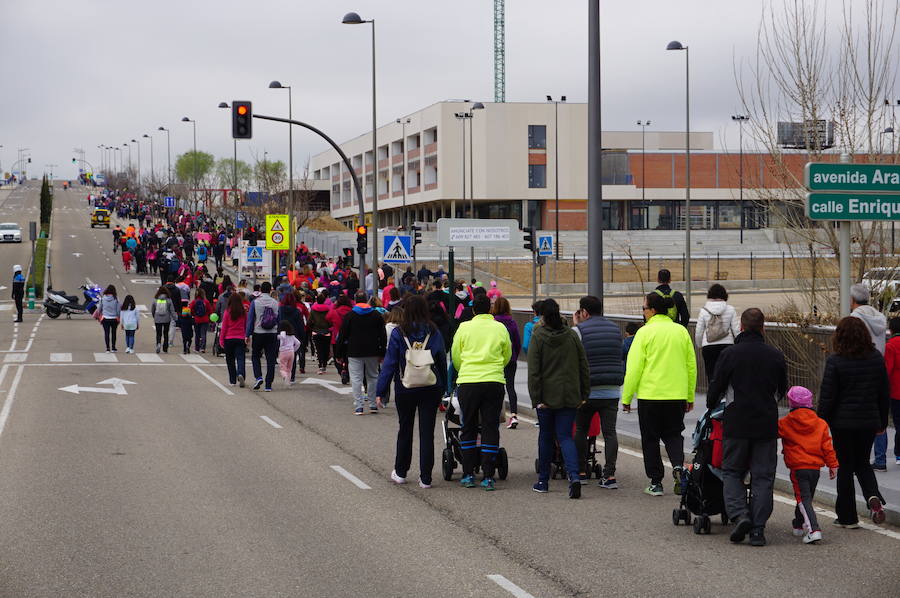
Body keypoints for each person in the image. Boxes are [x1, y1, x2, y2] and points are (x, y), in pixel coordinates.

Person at [706, 308, 788, 547]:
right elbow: (782, 388)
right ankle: (758, 529)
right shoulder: (775, 355)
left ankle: (740, 514)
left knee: (732, 471)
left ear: (741, 327)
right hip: (765, 423)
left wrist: (712, 404)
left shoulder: (730, 354)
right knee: (763, 476)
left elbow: (717, 386)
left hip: (736, 422)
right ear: (763, 328)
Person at [621, 291, 696, 497]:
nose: (643, 312)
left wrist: (626, 398)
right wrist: (689, 395)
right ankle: (679, 467)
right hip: (676, 394)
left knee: (651, 438)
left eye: (644, 308)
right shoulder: (680, 331)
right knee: (673, 434)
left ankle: (656, 482)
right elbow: (691, 366)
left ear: (652, 310)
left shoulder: (644, 333)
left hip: (650, 395)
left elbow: (634, 368)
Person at [818, 316, 889, 527]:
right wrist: (882, 422)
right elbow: (883, 393)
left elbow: (828, 396)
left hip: (842, 424)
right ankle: (873, 498)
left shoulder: (835, 361)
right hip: (868, 421)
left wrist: (821, 422)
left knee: (846, 467)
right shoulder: (876, 358)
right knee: (863, 463)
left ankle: (847, 517)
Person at [376, 295, 447, 488]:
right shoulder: (433, 331)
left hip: (405, 386)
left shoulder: (400, 332)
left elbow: (390, 363)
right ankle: (426, 478)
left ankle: (400, 472)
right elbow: (441, 359)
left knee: (405, 429)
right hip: (430, 385)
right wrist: (445, 387)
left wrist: (381, 391)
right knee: (427, 432)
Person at [529, 298, 590, 499]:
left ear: (543, 316)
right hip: (569, 395)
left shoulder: (538, 336)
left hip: (546, 396)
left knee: (546, 437)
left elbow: (534, 371)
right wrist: (584, 393)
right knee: (565, 437)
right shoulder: (572, 336)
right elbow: (583, 365)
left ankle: (543, 481)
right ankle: (574, 477)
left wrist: (535, 397)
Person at [451, 294, 512, 491]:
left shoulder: (464, 328)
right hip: (493, 381)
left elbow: (456, 356)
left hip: (469, 380)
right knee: (490, 426)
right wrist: (495, 368)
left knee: (468, 425)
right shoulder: (500, 328)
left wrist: (465, 370)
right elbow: (507, 355)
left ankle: (468, 473)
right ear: (490, 309)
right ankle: (488, 475)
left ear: (473, 310)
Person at [572, 295, 624, 489]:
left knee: (581, 430)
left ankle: (581, 471)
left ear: (583, 312)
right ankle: (609, 475)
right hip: (611, 390)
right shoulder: (614, 329)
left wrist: (576, 325)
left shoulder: (578, 330)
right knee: (610, 432)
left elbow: (574, 357)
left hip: (587, 391)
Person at [778, 385, 839, 545]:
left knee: (803, 499)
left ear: (791, 403)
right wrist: (833, 465)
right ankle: (798, 524)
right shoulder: (821, 423)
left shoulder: (785, 423)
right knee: (806, 497)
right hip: (815, 468)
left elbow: (771, 433)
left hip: (798, 467)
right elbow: (827, 446)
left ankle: (814, 529)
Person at [848, 283, 889, 471]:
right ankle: (880, 458)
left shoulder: (855, 319)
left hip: (859, 368)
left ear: (853, 300)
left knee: (858, 414)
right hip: (878, 367)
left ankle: (857, 458)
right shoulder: (879, 317)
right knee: (880, 412)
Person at [339, 291, 388, 415]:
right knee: (373, 377)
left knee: (356, 378)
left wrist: (339, 354)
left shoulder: (350, 315)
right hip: (373, 350)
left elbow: (342, 335)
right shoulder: (376, 315)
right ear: (367, 300)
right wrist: (382, 352)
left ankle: (359, 406)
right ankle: (372, 404)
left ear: (355, 300)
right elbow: (383, 335)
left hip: (354, 351)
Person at [694, 283, 741, 384]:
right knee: (728, 375)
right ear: (724, 295)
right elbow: (736, 330)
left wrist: (700, 345)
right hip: (727, 345)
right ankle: (726, 398)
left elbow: (699, 331)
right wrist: (738, 345)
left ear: (710, 295)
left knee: (712, 375)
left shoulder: (704, 311)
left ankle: (714, 397)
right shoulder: (730, 309)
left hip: (708, 346)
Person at [490, 298, 522, 429]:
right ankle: (514, 415)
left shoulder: (493, 323)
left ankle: (497, 413)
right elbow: (517, 343)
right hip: (511, 359)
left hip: (496, 359)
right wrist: (514, 355)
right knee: (510, 387)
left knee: (498, 387)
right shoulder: (512, 322)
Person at [245, 281, 281, 391]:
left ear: (260, 290)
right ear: (270, 290)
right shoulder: (275, 303)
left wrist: (248, 334)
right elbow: (279, 319)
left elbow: (250, 319)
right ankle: (268, 384)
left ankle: (258, 376)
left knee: (255, 355)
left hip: (258, 332)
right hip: (272, 333)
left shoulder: (256, 302)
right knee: (271, 358)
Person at [880, 317, 900, 468]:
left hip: (896, 391)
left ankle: (899, 453)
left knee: (898, 423)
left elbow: (887, 370)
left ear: (891, 329)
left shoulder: (891, 346)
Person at [219, 292, 248, 387]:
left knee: (230, 360)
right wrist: (247, 337)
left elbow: (224, 327)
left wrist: (221, 340)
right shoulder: (243, 312)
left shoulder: (228, 312)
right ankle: (241, 373)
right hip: (240, 338)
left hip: (229, 338)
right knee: (240, 358)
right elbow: (246, 325)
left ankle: (232, 380)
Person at [278, 293, 307, 382]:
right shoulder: (297, 311)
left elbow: (278, 321)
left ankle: (284, 373)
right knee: (292, 358)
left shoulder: (281, 310)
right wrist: (303, 337)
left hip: (282, 335)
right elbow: (300, 325)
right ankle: (291, 376)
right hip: (294, 335)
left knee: (282, 358)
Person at [308, 294, 333, 375]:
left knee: (319, 350)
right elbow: (330, 320)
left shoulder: (313, 310)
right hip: (326, 332)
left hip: (316, 331)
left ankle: (320, 366)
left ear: (317, 300)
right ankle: (324, 366)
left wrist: (312, 328)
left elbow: (309, 321)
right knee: (326, 350)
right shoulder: (328, 309)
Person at [151, 287, 176, 353]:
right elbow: (172, 310)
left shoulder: (155, 299)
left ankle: (158, 343)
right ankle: (165, 348)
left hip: (157, 319)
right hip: (166, 319)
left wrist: (154, 316)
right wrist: (175, 318)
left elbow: (152, 309)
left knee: (158, 333)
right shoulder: (169, 300)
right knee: (165, 333)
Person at [277, 321, 302, 386]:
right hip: (291, 352)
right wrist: (294, 349)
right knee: (289, 368)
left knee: (282, 367)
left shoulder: (282, 333)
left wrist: (278, 337)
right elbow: (298, 343)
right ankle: (288, 381)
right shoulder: (292, 335)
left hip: (283, 351)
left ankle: (284, 377)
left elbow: (282, 338)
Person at [98, 285, 121, 353]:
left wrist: (100, 314)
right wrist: (118, 317)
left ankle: (107, 348)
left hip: (105, 318)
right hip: (114, 318)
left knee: (106, 333)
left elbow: (99, 308)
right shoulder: (116, 298)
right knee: (114, 333)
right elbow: (118, 309)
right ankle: (113, 348)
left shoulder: (102, 298)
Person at [188, 289, 212, 353]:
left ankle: (197, 348)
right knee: (203, 334)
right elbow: (210, 311)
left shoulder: (194, 301)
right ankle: (203, 348)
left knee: (197, 334)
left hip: (197, 319)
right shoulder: (206, 302)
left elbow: (190, 310)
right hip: (205, 319)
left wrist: (194, 314)